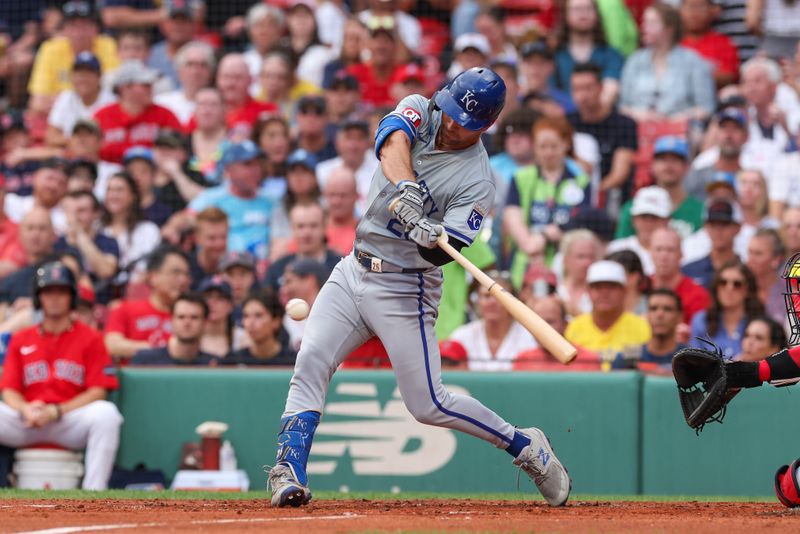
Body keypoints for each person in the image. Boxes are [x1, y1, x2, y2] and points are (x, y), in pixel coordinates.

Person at [266, 68, 571, 509]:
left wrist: (428, 238)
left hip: (405, 287)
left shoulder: (477, 181)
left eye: (463, 122)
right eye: (449, 111)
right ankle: (287, 470)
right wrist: (407, 187)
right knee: (311, 358)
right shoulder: (422, 109)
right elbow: (390, 140)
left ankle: (526, 446)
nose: (449, 124)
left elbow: (447, 254)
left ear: (485, 126)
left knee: (428, 404)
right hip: (354, 266)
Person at [0, 261, 122, 490]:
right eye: (48, 291)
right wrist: (25, 409)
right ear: (38, 297)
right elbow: (9, 390)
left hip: (67, 420)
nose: (54, 298)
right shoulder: (21, 338)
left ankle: (94, 492)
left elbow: (99, 391)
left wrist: (57, 411)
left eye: (61, 291)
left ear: (71, 297)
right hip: (28, 420)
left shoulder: (92, 338)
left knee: (107, 415)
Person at [503, 116, 593, 288]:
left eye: (554, 146)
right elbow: (512, 216)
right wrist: (531, 245)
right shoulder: (521, 178)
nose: (548, 152)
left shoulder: (581, 181)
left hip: (564, 264)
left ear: (565, 145)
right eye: (542, 146)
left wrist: (550, 235)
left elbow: (582, 220)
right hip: (524, 263)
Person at [619, 2, 715, 121]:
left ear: (670, 29)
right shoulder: (634, 61)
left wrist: (676, 119)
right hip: (638, 131)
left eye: (652, 23)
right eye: (644, 22)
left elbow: (706, 107)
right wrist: (641, 114)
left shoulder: (693, 61)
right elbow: (623, 106)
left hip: (680, 133)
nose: (644, 27)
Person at [27, 1, 119, 116]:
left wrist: (60, 98)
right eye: (73, 26)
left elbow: (112, 93)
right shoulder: (50, 48)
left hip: (99, 116)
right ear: (64, 29)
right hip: (61, 117)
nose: (79, 33)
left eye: (84, 26)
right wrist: (82, 99)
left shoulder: (108, 45)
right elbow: (37, 103)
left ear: (96, 28)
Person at [186, 140, 274, 261]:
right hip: (222, 267)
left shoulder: (272, 201)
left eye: (257, 164)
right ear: (229, 170)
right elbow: (187, 218)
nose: (255, 170)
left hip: (262, 268)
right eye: (247, 164)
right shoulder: (212, 198)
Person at [567, 63, 636, 210]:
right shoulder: (565, 124)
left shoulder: (624, 124)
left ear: (600, 88)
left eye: (587, 88)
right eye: (576, 89)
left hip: (610, 199)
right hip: (570, 195)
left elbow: (620, 174)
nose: (582, 96)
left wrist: (592, 194)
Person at [104, 246, 192, 360]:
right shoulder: (125, 309)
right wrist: (162, 350)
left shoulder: (192, 315)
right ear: (153, 276)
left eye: (186, 274)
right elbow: (112, 346)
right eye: (176, 273)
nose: (183, 280)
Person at [564, 260, 652, 367]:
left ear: (624, 290)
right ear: (588, 291)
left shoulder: (642, 327)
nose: (604, 293)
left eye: (611, 287)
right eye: (598, 287)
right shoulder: (574, 327)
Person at [93, 61, 182, 164]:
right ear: (125, 88)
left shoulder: (165, 115)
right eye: (145, 85)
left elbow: (180, 149)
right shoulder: (102, 117)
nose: (151, 89)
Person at [447, 273, 538, 371]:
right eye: (486, 296)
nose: (492, 302)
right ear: (478, 301)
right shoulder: (461, 336)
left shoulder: (529, 337)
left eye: (499, 297)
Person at [553, 0, 624, 109]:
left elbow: (610, 91)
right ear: (565, 14)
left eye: (588, 9)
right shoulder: (554, 55)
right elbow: (548, 93)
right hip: (560, 120)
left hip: (599, 120)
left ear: (597, 14)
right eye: (577, 9)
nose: (583, 14)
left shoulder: (611, 55)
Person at [689, 259, 764, 359]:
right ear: (716, 287)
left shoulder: (760, 324)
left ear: (748, 290)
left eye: (737, 284)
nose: (729, 288)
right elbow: (694, 363)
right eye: (723, 282)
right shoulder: (701, 320)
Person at [265, 202, 341, 292]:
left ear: (324, 228)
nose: (306, 233)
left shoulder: (341, 267)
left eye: (313, 226)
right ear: (292, 229)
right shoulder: (277, 268)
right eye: (300, 226)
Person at [46, 52, 116, 147]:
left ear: (99, 77)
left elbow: (112, 139)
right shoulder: (66, 97)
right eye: (79, 73)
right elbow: (51, 137)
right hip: (71, 156)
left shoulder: (111, 100)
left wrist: (78, 142)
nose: (82, 78)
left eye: (88, 73)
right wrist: (81, 142)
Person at [513, 296, 600, 370]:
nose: (543, 328)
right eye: (537, 322)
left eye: (550, 322)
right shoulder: (523, 360)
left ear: (565, 325)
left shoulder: (589, 360)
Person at [131, 293, 219, 366]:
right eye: (181, 317)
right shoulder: (146, 361)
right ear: (171, 320)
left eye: (194, 317)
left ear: (205, 322)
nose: (187, 323)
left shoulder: (213, 364)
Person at [100, 172, 161, 276]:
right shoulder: (97, 228)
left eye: (119, 190)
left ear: (133, 196)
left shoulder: (148, 230)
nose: (113, 195)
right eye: (109, 190)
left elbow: (145, 269)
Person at [650, 227, 711, 325]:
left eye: (670, 250)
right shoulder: (640, 287)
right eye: (659, 249)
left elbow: (700, 334)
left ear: (681, 254)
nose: (664, 256)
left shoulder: (698, 295)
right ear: (650, 253)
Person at [56, 190, 119, 284]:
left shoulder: (108, 242)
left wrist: (80, 235)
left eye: (81, 211)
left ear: (96, 213)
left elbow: (106, 271)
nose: (75, 217)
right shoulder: (59, 243)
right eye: (71, 211)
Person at [613, 288, 685, 370]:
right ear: (647, 315)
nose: (659, 315)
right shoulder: (626, 357)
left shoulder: (690, 359)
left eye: (667, 309)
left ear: (680, 317)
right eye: (653, 309)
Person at [607, 186, 671, 275]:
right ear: (633, 219)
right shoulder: (616, 248)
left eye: (654, 218)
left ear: (667, 220)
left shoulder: (679, 251)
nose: (649, 223)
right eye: (644, 217)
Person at [223, 288, 297, 366]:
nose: (250, 323)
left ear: (276, 321)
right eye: (246, 316)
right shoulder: (232, 361)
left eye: (258, 316)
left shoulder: (293, 361)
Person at [682, 197, 742, 289]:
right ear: (706, 227)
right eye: (713, 224)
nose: (718, 230)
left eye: (725, 224)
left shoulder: (747, 271)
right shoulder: (688, 271)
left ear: (737, 228)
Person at [154, 41, 215, 126]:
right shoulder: (161, 103)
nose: (196, 71)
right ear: (179, 71)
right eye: (190, 65)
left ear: (210, 72)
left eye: (203, 65)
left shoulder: (218, 106)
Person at [680, 0, 739, 88]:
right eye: (690, 6)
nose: (694, 12)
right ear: (680, 11)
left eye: (700, 7)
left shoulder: (724, 43)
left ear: (711, 11)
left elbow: (730, 76)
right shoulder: (672, 43)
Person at [555, 229, 602, 317]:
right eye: (581, 257)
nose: (587, 263)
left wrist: (570, 310)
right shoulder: (554, 290)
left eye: (591, 257)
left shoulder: (603, 294)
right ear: (565, 259)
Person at [746, 228, 786, 323]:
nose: (751, 259)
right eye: (750, 252)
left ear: (776, 259)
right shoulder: (738, 286)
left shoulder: (789, 294)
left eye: (758, 254)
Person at [322, 168, 360, 256]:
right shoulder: (312, 228)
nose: (337, 201)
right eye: (332, 194)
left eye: (343, 195)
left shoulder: (364, 233)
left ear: (356, 196)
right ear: (324, 195)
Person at [198, 276, 238, 358]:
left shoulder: (243, 338)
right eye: (207, 297)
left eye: (220, 298)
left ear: (231, 305)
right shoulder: (190, 336)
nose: (212, 302)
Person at [189, 207, 228, 287]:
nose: (219, 244)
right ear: (197, 238)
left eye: (223, 237)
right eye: (212, 238)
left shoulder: (237, 268)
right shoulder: (187, 270)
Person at [605, 249, 650, 315]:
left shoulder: (651, 308)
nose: (609, 280)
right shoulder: (601, 308)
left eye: (616, 275)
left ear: (635, 277)